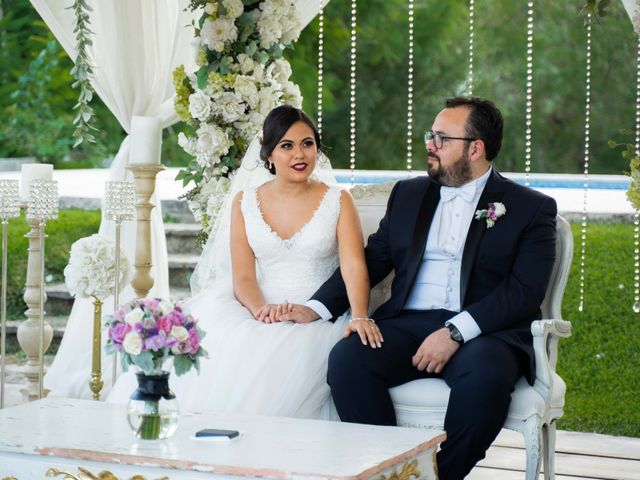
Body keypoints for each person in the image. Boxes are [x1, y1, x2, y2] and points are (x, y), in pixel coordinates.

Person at [280, 97, 557, 479]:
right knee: (348, 361)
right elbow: (373, 259)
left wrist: (456, 332)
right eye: (431, 134)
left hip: (483, 332)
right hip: (407, 322)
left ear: (475, 148)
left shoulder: (529, 208)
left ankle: (438, 476)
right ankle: (391, 471)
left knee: (486, 381)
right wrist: (317, 306)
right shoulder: (408, 195)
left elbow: (524, 291)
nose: (430, 143)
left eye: (442, 138)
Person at [108, 105, 377, 419]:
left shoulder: (338, 200)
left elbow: (354, 266)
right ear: (269, 155)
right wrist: (261, 310)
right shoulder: (245, 202)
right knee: (227, 353)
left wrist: (359, 315)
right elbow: (244, 277)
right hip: (258, 308)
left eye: (308, 143)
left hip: (318, 315)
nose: (299, 154)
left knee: (287, 364)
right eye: (286, 146)